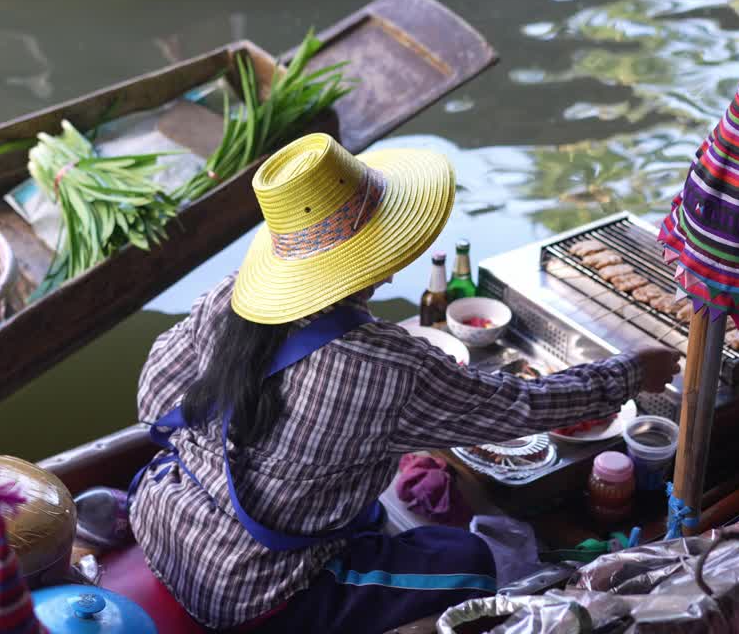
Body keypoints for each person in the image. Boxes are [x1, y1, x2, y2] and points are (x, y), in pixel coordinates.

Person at [129, 133, 680, 633]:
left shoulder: (229, 297)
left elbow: (155, 401)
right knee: (465, 561)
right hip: (243, 592)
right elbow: (518, 407)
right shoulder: (385, 367)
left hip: (161, 518)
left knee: (372, 514)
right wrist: (630, 373)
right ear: (369, 257)